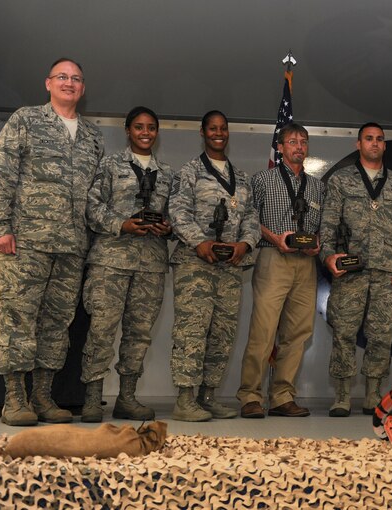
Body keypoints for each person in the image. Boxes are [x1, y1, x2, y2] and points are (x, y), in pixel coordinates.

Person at [0, 58, 104, 426]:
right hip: (25, 243)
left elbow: (95, 195)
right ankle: (14, 400)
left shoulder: (93, 136)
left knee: (56, 325)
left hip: (71, 248)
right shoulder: (26, 120)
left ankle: (42, 396)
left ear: (83, 88)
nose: (69, 83)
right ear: (48, 83)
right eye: (62, 77)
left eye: (76, 78)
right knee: (17, 319)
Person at [81, 106, 172, 422]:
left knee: (139, 334)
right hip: (111, 261)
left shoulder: (168, 174)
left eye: (151, 128)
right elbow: (91, 208)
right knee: (101, 330)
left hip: (151, 265)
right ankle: (92, 399)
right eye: (139, 127)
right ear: (128, 130)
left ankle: (127, 398)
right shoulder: (109, 165)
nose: (145, 133)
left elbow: (176, 216)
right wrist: (123, 224)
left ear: (157, 132)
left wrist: (167, 227)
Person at [169, 110, 259, 422]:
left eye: (223, 128)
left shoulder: (243, 177)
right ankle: (184, 399)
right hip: (196, 265)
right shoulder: (190, 171)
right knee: (192, 330)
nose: (218, 133)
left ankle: (207, 396)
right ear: (203, 133)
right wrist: (200, 242)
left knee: (222, 333)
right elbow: (178, 212)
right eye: (212, 129)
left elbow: (251, 219)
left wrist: (244, 245)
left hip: (231, 267)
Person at [320, 122, 392, 417]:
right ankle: (343, 395)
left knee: (381, 335)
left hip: (387, 273)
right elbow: (328, 226)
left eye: (379, 140)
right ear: (358, 144)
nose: (374, 144)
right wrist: (328, 256)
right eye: (368, 139)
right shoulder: (341, 181)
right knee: (344, 333)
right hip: (351, 271)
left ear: (385, 146)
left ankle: (373, 394)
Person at [237, 122, 324, 419]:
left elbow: (322, 225)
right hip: (273, 257)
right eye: (292, 141)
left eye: (303, 141)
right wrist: (275, 237)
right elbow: (249, 217)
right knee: (264, 330)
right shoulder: (263, 179)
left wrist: (317, 244)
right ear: (281, 147)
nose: (298, 146)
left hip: (306, 263)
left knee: (298, 332)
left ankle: (282, 396)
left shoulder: (316, 186)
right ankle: (250, 396)